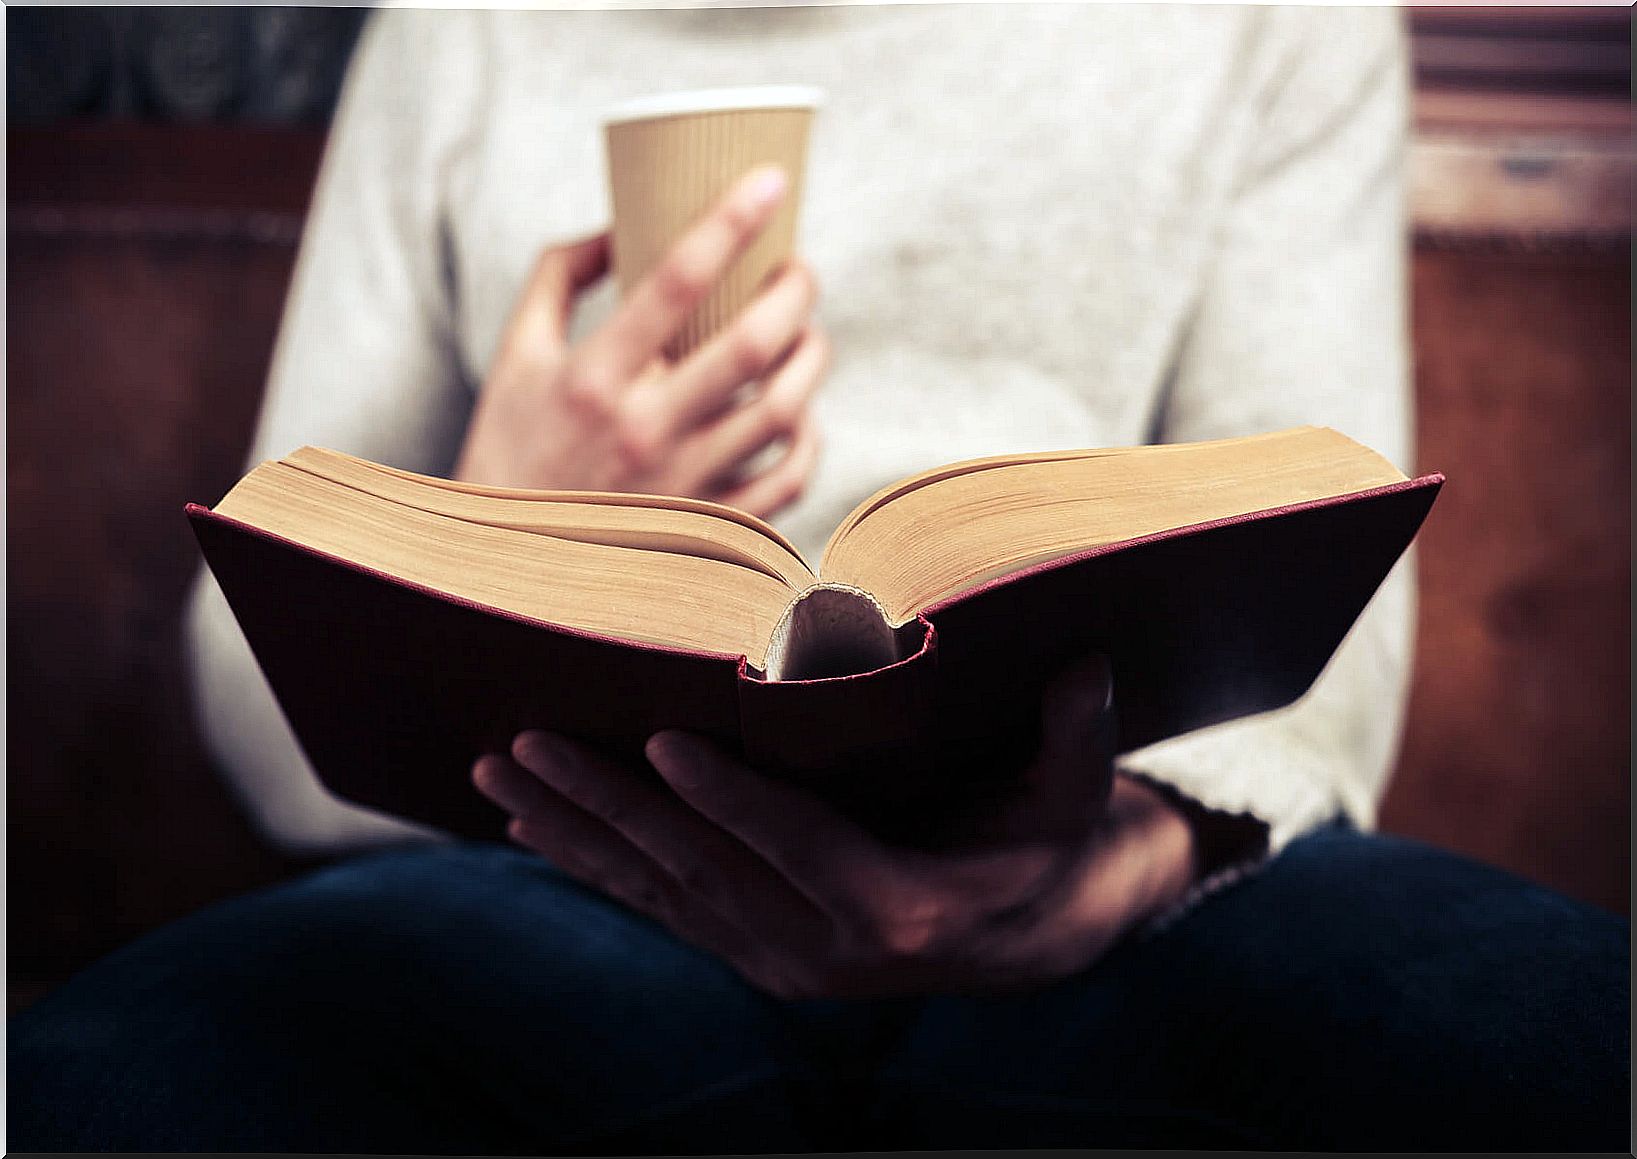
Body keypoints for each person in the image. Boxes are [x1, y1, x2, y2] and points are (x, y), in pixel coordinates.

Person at [9, 4, 1626, 1152]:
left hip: (1125, 885)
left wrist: (1104, 880)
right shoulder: (460, 30)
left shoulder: (1268, 23)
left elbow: (1326, 634)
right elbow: (245, 685)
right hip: (568, 877)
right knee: (92, 1095)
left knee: (1578, 1049)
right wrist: (510, 500)